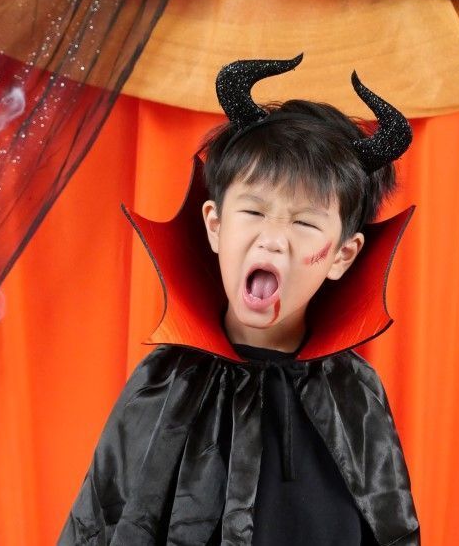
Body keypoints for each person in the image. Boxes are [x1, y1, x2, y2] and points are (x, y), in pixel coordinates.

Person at [58, 54, 420, 546]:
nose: (273, 240)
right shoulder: (163, 382)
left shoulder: (355, 392)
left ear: (342, 255)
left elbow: (389, 530)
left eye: (305, 222)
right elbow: (102, 524)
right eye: (254, 211)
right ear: (215, 224)